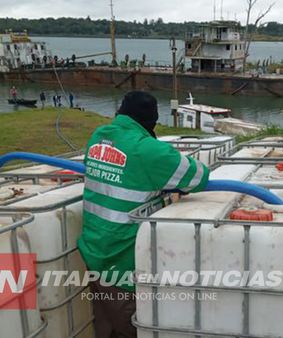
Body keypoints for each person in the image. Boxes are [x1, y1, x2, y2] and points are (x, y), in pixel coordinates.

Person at [78, 91, 210, 337]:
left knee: (105, 325)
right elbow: (199, 176)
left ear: (120, 113)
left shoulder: (98, 137)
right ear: (151, 122)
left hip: (94, 249)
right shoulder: (148, 149)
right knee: (135, 327)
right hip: (122, 259)